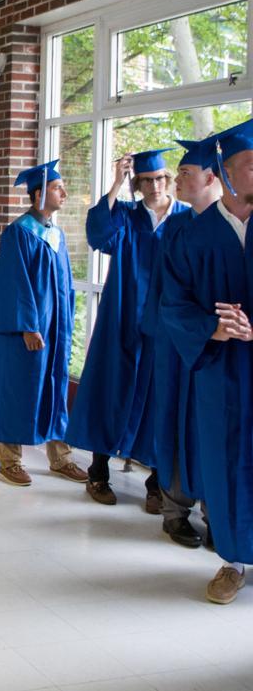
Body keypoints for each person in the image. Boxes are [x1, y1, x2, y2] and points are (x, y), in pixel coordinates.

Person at [65, 148, 190, 509]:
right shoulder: (126, 216)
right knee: (110, 390)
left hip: (165, 326)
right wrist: (117, 183)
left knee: (159, 399)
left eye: (160, 179)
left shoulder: (185, 220)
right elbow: (98, 236)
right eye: (146, 180)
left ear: (169, 181)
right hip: (121, 321)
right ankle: (98, 471)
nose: (154, 186)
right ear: (139, 184)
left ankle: (155, 482)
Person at [161, 118, 253, 604]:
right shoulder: (193, 237)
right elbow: (171, 302)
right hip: (220, 371)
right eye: (252, 164)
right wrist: (212, 328)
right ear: (227, 172)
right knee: (226, 460)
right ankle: (232, 563)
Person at [0, 160, 88, 486]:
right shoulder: (19, 233)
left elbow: (65, 284)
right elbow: (15, 284)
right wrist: (28, 325)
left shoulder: (56, 234)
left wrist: (66, 321)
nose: (64, 193)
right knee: (16, 388)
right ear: (39, 194)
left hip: (55, 328)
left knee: (55, 388)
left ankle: (61, 456)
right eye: (58, 188)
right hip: (27, 331)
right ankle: (9, 460)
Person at [148, 137, 222, 548]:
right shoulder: (176, 226)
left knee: (211, 430)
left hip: (216, 349)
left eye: (185, 173)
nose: (176, 179)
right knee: (176, 423)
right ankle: (175, 511)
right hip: (177, 347)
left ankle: (217, 513)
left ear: (211, 177)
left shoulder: (232, 226)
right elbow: (165, 295)